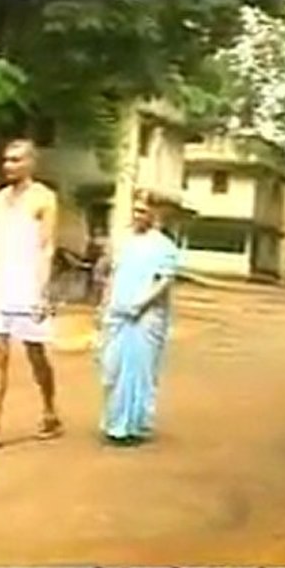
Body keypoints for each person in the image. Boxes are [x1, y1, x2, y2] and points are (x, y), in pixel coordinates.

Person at [0, 139, 62, 447]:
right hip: (0, 283)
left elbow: (47, 246)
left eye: (16, 160)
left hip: (29, 285)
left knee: (35, 354)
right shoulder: (1, 197)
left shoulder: (44, 198)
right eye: (6, 160)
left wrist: (42, 292)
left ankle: (50, 411)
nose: (9, 166)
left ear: (31, 163)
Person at [98, 190, 178, 446]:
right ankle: (113, 421)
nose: (138, 215)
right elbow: (113, 274)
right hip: (118, 313)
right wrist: (104, 306)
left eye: (143, 211)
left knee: (140, 371)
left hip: (146, 317)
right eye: (135, 210)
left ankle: (133, 425)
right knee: (111, 368)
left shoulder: (164, 246)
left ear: (154, 214)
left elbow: (164, 280)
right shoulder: (124, 241)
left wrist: (141, 304)